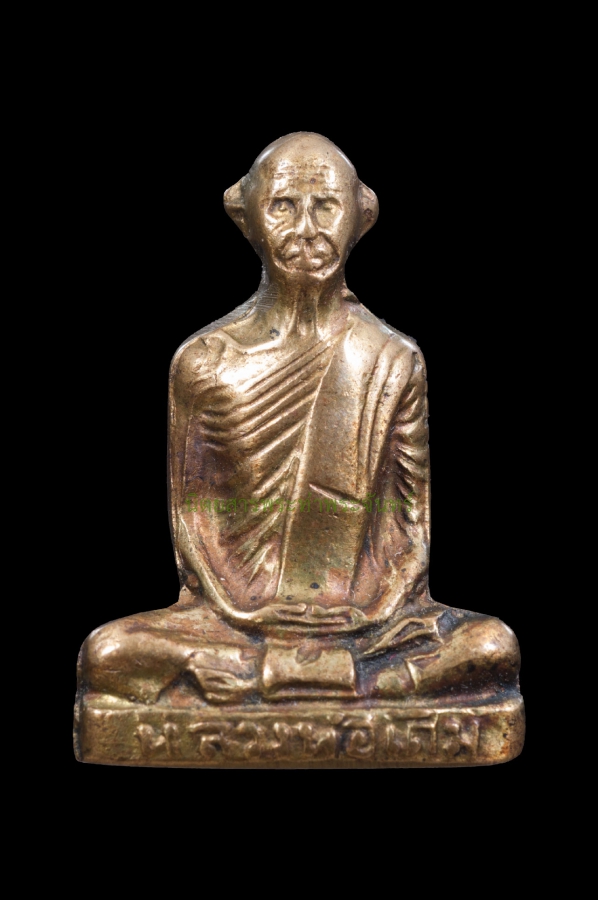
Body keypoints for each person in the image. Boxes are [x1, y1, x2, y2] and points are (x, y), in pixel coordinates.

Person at [79, 133, 520, 706]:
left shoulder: (392, 359)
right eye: (283, 206)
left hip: (365, 623)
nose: (307, 229)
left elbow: (410, 528)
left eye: (326, 206)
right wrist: (246, 612)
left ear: (360, 216)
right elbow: (195, 526)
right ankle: (339, 683)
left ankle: (304, 680)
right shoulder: (205, 362)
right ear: (246, 218)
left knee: (491, 644)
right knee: (108, 651)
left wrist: (372, 610)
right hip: (236, 621)